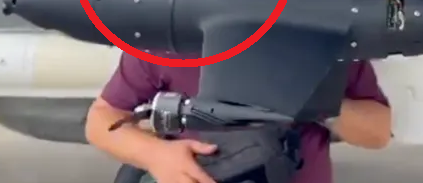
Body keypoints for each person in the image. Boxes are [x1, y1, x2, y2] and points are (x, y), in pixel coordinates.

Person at [85, 51, 392, 183]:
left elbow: (377, 132)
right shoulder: (171, 38)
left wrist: (316, 101)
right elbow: (101, 120)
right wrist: (156, 155)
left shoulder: (324, 42)